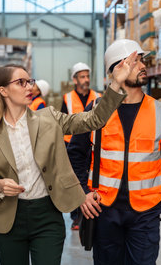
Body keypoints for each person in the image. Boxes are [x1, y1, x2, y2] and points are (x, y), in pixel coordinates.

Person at [0, 56, 137, 265]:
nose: (29, 87)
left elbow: (94, 119)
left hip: (47, 217)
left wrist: (116, 84)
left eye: (30, 81)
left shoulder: (48, 118)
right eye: (21, 82)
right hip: (9, 220)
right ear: (3, 91)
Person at [68, 39, 161, 265]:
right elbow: (74, 155)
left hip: (146, 214)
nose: (143, 65)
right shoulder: (95, 111)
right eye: (135, 62)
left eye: (142, 60)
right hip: (104, 211)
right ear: (117, 71)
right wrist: (82, 192)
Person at [61, 62, 101, 229]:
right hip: (70, 143)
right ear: (75, 80)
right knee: (73, 180)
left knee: (88, 179)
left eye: (87, 76)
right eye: (82, 77)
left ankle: (88, 210)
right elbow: (62, 121)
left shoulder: (98, 96)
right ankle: (76, 216)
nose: (86, 80)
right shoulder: (67, 98)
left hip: (91, 143)